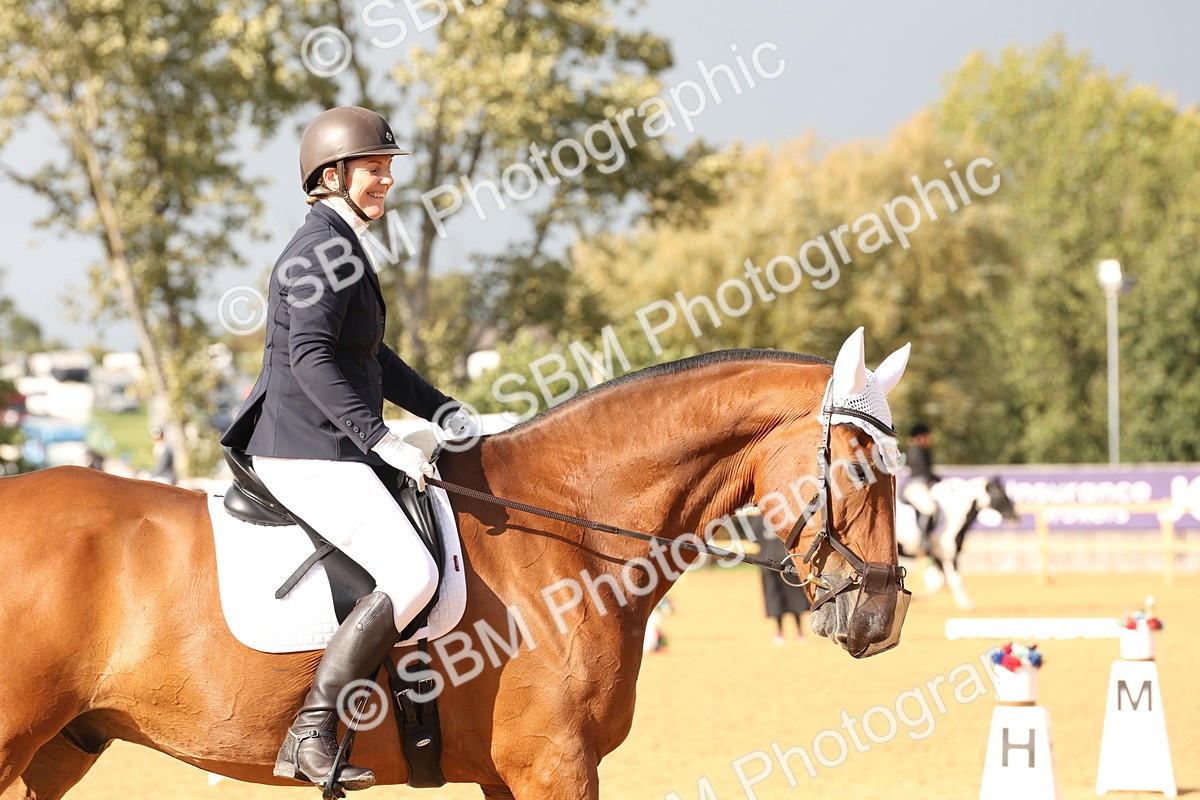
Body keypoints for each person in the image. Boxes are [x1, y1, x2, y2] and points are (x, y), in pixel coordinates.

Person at [221, 106, 472, 792]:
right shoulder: (317, 250)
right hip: (305, 450)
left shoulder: (342, 244)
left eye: (388, 168)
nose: (386, 179)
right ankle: (311, 730)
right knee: (415, 575)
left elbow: (369, 358)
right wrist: (380, 438)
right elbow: (308, 357)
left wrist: (446, 410)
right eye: (373, 168)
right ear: (330, 175)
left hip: (331, 445)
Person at [747, 513, 809, 645]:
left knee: (776, 597)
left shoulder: (759, 517)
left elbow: (754, 539)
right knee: (791, 597)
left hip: (768, 561)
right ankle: (798, 632)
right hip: (787, 562)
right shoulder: (785, 514)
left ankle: (781, 633)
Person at [902, 422, 941, 554]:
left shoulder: (922, 450)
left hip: (922, 484)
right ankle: (923, 540)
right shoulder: (916, 450)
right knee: (930, 509)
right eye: (926, 436)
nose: (929, 439)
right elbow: (923, 471)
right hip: (916, 485)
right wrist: (936, 479)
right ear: (920, 437)